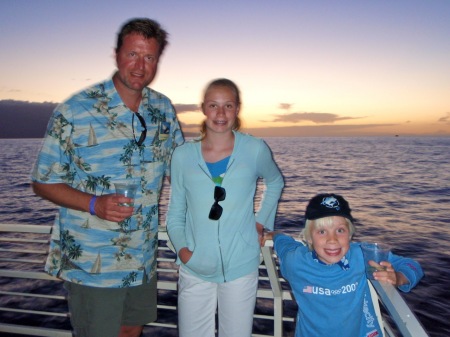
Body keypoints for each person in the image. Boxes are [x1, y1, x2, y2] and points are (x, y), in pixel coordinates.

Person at [31, 18, 184, 337]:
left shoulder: (163, 109)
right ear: (116, 55)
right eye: (133, 54)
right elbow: (43, 181)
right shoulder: (75, 109)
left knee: (131, 331)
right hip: (93, 258)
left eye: (150, 57)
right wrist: (93, 203)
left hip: (142, 254)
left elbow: (183, 169)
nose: (140, 66)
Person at [166, 78, 284, 337]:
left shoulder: (254, 149)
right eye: (214, 105)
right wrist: (184, 252)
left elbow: (275, 181)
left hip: (241, 265)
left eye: (228, 105)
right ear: (203, 108)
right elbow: (175, 212)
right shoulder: (183, 155)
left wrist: (261, 221)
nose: (220, 113)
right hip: (194, 266)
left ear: (237, 108)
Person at [263, 193, 424, 337]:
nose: (332, 240)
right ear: (309, 238)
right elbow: (285, 246)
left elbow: (413, 266)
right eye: (322, 231)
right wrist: (276, 235)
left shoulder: (362, 255)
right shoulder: (296, 262)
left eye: (340, 230)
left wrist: (399, 277)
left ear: (350, 235)